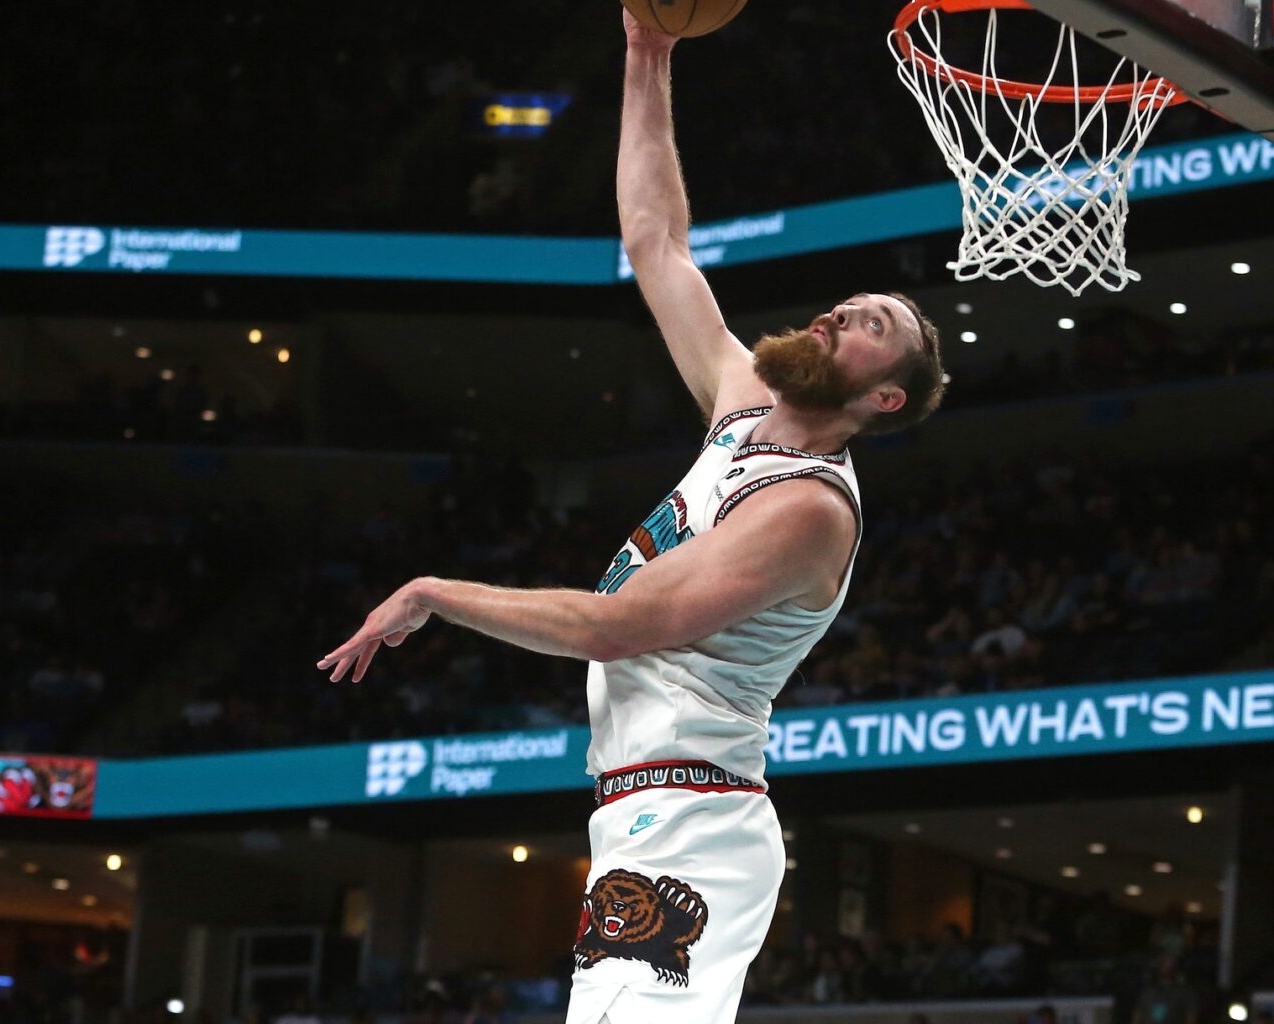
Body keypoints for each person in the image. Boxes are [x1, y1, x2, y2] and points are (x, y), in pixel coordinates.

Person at [316, 11, 946, 1024]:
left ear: (885, 397)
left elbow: (618, 626)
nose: (840, 312)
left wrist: (435, 591)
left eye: (873, 325)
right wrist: (647, 54)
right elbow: (656, 241)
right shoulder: (744, 408)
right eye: (849, 303)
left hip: (696, 817)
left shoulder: (807, 508)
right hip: (648, 807)